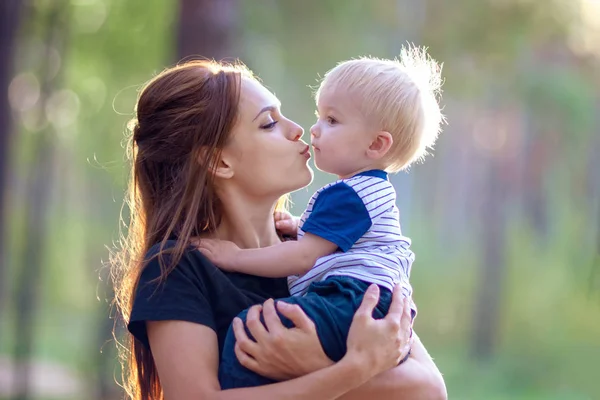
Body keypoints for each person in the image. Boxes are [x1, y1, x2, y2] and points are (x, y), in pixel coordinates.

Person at [111, 58, 447, 400]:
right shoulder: (179, 267)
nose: (299, 129)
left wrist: (313, 364)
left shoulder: (325, 251)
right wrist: (349, 371)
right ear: (219, 161)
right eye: (269, 123)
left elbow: (432, 390)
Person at [197, 45, 444, 389]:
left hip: (352, 301)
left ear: (376, 145)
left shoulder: (347, 195)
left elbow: (301, 258)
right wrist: (301, 226)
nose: (311, 130)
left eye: (331, 120)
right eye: (320, 116)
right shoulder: (368, 192)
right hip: (371, 304)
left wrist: (235, 257)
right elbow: (343, 242)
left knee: (251, 333)